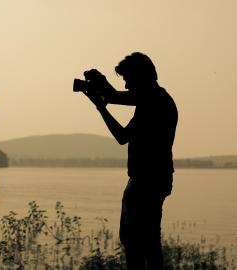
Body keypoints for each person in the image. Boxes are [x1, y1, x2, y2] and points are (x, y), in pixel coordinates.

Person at [81, 52, 178, 270]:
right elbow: (121, 130)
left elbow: (116, 102)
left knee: (138, 243)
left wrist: (101, 92)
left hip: (147, 180)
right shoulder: (153, 101)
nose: (125, 84)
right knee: (142, 241)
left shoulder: (154, 100)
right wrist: (102, 101)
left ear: (141, 76)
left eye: (127, 78)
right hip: (147, 179)